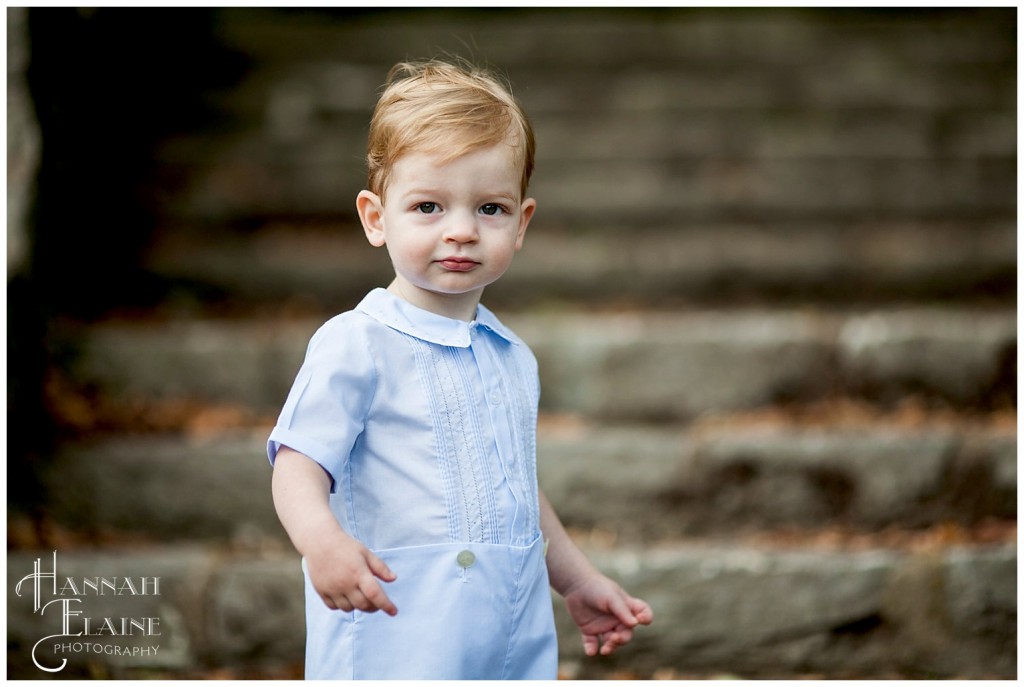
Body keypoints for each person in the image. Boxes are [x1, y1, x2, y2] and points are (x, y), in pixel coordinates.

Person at [268, 59, 653, 680]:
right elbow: (297, 462)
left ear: (521, 222)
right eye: (428, 206)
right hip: (399, 629)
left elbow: (517, 491)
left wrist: (578, 580)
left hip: (504, 631)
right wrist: (322, 543)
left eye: (490, 209)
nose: (462, 231)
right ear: (375, 217)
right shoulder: (356, 343)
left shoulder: (510, 356)